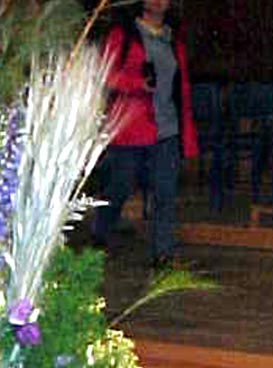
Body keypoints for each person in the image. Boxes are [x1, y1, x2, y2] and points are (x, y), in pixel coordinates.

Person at [91, 0, 198, 267]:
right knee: (119, 187)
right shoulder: (122, 36)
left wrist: (187, 136)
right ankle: (99, 236)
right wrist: (136, 84)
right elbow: (103, 75)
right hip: (130, 129)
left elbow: (181, 90)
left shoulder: (174, 41)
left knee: (165, 193)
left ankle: (162, 254)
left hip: (167, 129)